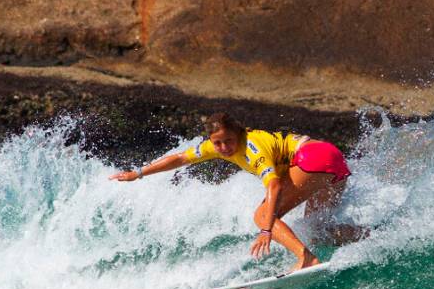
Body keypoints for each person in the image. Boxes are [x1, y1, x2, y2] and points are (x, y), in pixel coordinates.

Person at [109, 112, 354, 273]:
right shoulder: (216, 146)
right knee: (318, 230)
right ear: (212, 141)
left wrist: (266, 229)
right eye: (218, 143)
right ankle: (373, 236)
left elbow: (274, 186)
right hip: (332, 159)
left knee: (261, 216)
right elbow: (180, 158)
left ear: (238, 133)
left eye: (228, 141)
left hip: (313, 158)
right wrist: (138, 173)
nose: (224, 148)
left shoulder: (252, 148)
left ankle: (306, 259)